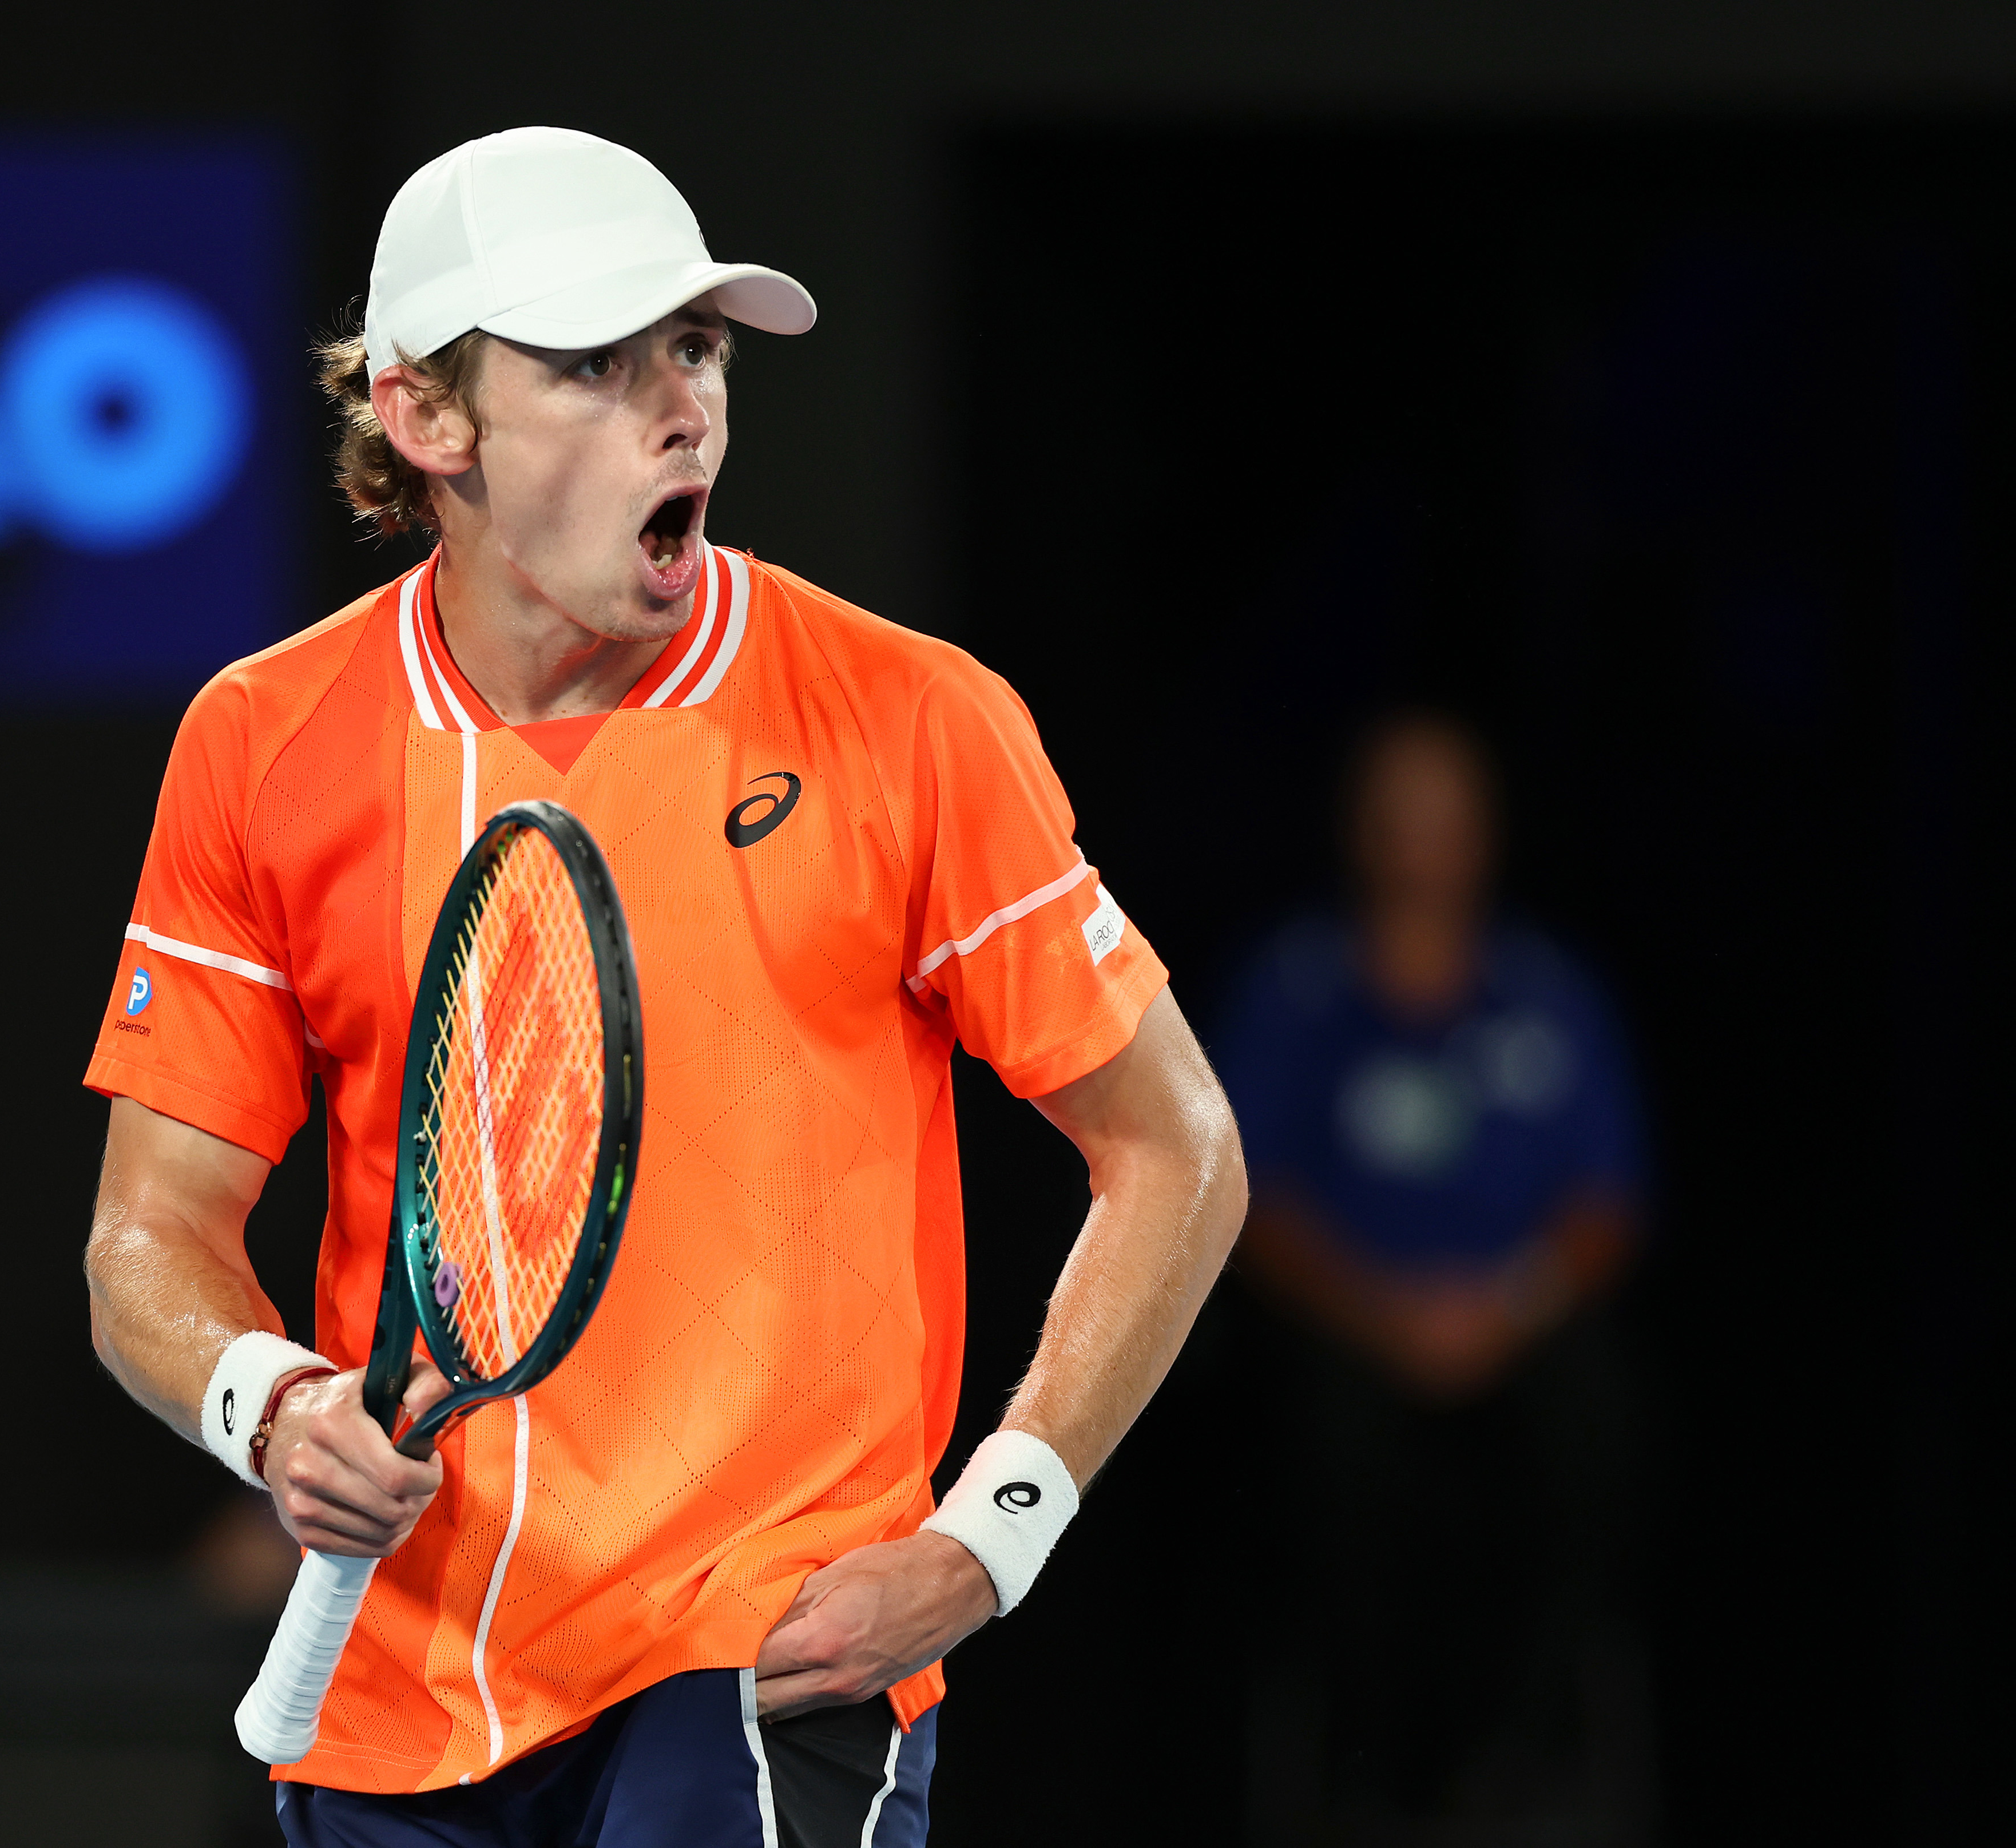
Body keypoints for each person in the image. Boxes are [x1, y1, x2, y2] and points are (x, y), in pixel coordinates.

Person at [81, 128, 1245, 1846]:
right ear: (423, 418)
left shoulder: (908, 719)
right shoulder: (258, 743)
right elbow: (145, 1236)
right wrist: (273, 1404)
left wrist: (989, 1535)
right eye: (591, 365)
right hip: (396, 1698)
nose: (681, 406)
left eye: (692, 350)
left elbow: (1176, 1147)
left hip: (756, 1662)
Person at [1220, 713, 1647, 1833]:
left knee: (1593, 1423)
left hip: (1514, 1337)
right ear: (1358, 833)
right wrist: (1381, 1315)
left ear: (1483, 838)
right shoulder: (1294, 990)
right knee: (1314, 1447)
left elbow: (1605, 1203)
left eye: (1444, 823)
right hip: (1350, 1338)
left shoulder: (1549, 994)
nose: (1421, 849)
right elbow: (1239, 1193)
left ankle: (1526, 1739)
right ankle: (1368, 1762)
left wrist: (1500, 1312)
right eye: (1396, 820)